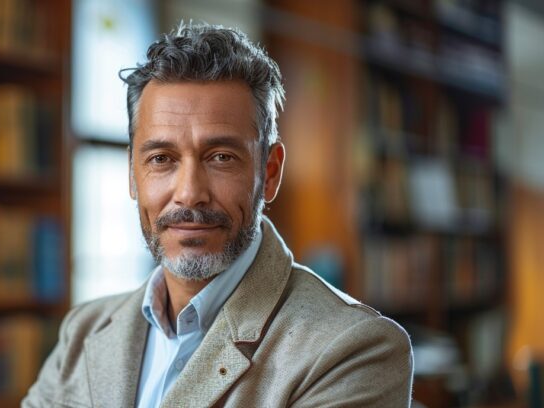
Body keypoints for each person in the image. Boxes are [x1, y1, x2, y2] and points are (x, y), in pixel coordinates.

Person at [22, 22, 414, 407]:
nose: (190, 193)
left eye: (221, 157)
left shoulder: (353, 350)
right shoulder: (84, 331)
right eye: (161, 159)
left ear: (270, 172)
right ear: (132, 174)